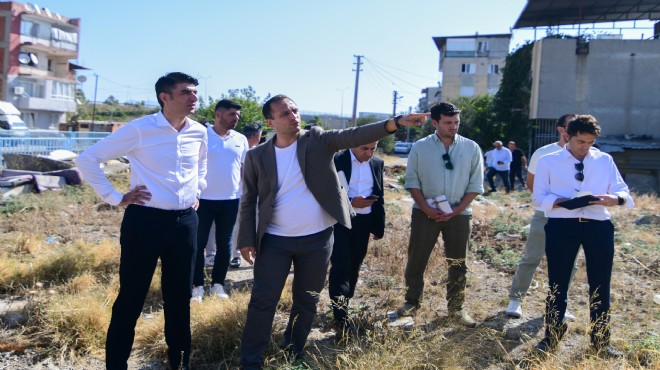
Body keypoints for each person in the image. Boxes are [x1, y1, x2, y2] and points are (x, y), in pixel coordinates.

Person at [237, 94, 426, 368]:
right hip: (275, 241)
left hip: (317, 240)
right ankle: (250, 361)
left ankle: (293, 353)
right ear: (270, 121)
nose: (293, 116)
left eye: (295, 109)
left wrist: (395, 123)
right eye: (285, 113)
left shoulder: (317, 140)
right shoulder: (257, 156)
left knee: (307, 301)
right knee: (263, 302)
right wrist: (245, 239)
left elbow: (356, 134)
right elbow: (248, 199)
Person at [77, 72, 205, 370]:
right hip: (144, 223)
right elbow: (87, 159)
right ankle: (116, 365)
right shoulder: (140, 129)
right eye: (186, 92)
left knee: (179, 299)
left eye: (195, 92)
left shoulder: (199, 131)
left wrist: (196, 191)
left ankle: (179, 363)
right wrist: (115, 196)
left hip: (185, 223)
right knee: (131, 298)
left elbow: (201, 164)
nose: (194, 98)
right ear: (165, 97)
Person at [532, 115, 633, 358]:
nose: (586, 147)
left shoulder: (604, 160)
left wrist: (614, 199)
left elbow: (624, 193)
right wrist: (564, 202)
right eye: (580, 141)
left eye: (590, 142)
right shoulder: (548, 161)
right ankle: (552, 337)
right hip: (562, 226)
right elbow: (538, 198)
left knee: (601, 284)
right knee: (558, 283)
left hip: (598, 226)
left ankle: (600, 341)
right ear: (567, 136)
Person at [396, 102, 484, 327]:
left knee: (458, 262)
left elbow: (475, 184)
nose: (453, 126)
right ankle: (412, 302)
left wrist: (457, 209)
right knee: (417, 258)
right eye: (448, 122)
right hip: (425, 213)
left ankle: (456, 308)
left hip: (460, 214)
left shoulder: (471, 147)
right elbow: (412, 181)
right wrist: (426, 208)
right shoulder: (420, 147)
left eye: (456, 122)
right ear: (435, 122)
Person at [505, 114, 580, 320]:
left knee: (569, 263)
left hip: (574, 219)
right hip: (546, 215)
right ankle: (516, 300)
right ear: (560, 129)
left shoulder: (587, 154)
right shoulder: (544, 153)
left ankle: (559, 304)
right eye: (570, 127)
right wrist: (551, 201)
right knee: (531, 258)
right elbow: (531, 183)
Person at [192, 99, 248, 302]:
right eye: (232, 114)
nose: (236, 118)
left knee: (224, 245)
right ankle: (197, 286)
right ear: (218, 114)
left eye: (238, 115)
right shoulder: (202, 135)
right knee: (197, 244)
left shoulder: (240, 139)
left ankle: (217, 285)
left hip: (230, 199)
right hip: (203, 199)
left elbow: (243, 169)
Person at [328, 141, 385, 338]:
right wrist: (350, 202)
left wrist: (378, 226)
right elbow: (326, 192)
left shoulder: (377, 163)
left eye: (373, 149)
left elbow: (381, 194)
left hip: (364, 222)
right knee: (341, 266)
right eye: (364, 148)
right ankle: (340, 316)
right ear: (353, 144)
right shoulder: (336, 159)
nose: (369, 153)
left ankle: (344, 302)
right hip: (340, 221)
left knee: (354, 265)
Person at [227, 122, 264, 269]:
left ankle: (237, 255)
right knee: (244, 224)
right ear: (257, 135)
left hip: (242, 193)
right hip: (246, 194)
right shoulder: (251, 151)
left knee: (239, 225)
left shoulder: (252, 150)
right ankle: (237, 256)